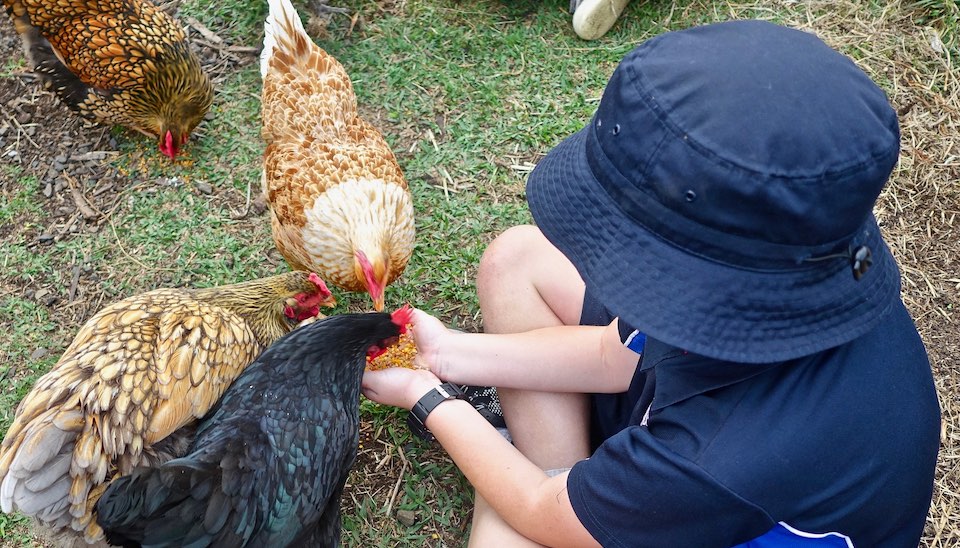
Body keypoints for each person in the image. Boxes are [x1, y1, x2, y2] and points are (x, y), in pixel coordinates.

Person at [361, 19, 941, 547]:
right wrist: (446, 352)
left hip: (710, 509)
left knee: (507, 534)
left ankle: (580, 498)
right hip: (696, 465)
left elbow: (536, 507)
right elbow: (616, 353)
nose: (608, 257)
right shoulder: (789, 252)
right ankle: (582, 489)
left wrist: (426, 396)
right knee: (518, 261)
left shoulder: (715, 461)